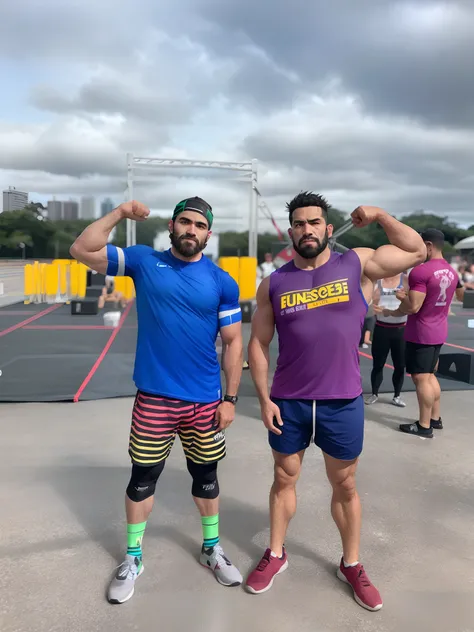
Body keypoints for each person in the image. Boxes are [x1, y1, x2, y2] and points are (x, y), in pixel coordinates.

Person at [245, 192, 426, 611]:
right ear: (291, 231)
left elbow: (415, 249)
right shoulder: (274, 283)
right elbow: (258, 343)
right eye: (299, 223)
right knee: (283, 478)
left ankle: (351, 563)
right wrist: (264, 397)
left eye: (314, 222)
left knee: (344, 484)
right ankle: (275, 554)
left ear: (327, 229)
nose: (306, 229)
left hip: (341, 401)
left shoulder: (357, 265)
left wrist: (379, 215)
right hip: (289, 401)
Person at [70, 196, 244, 603]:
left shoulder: (222, 281)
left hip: (205, 401)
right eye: (185, 222)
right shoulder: (144, 261)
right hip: (155, 400)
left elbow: (233, 344)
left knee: (206, 478)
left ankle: (211, 549)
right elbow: (81, 249)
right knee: (142, 479)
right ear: (172, 225)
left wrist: (230, 398)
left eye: (199, 226)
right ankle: (133, 558)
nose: (191, 230)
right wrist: (119, 214)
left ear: (208, 234)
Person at [382, 229, 465, 437]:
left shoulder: (421, 271)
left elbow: (413, 307)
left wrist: (402, 298)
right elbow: (462, 297)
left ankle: (424, 425)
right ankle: (435, 418)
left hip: (421, 332)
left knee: (421, 378)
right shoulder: (452, 272)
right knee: (430, 376)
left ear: (428, 245)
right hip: (439, 330)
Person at [366, 273, 409, 407]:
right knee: (378, 364)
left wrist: (405, 298)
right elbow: (370, 304)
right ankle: (374, 393)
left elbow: (411, 304)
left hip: (401, 329)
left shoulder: (405, 279)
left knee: (400, 365)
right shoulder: (378, 280)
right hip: (381, 328)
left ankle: (397, 395)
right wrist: (374, 305)